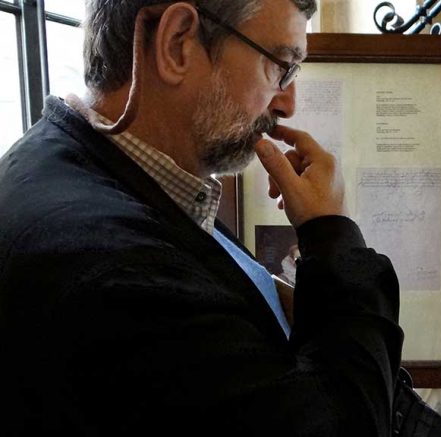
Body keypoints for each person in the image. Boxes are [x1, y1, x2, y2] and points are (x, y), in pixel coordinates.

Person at [0, 1, 406, 435]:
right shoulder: (124, 269)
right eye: (281, 67)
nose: (287, 104)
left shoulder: (66, 166)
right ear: (178, 43)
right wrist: (331, 234)